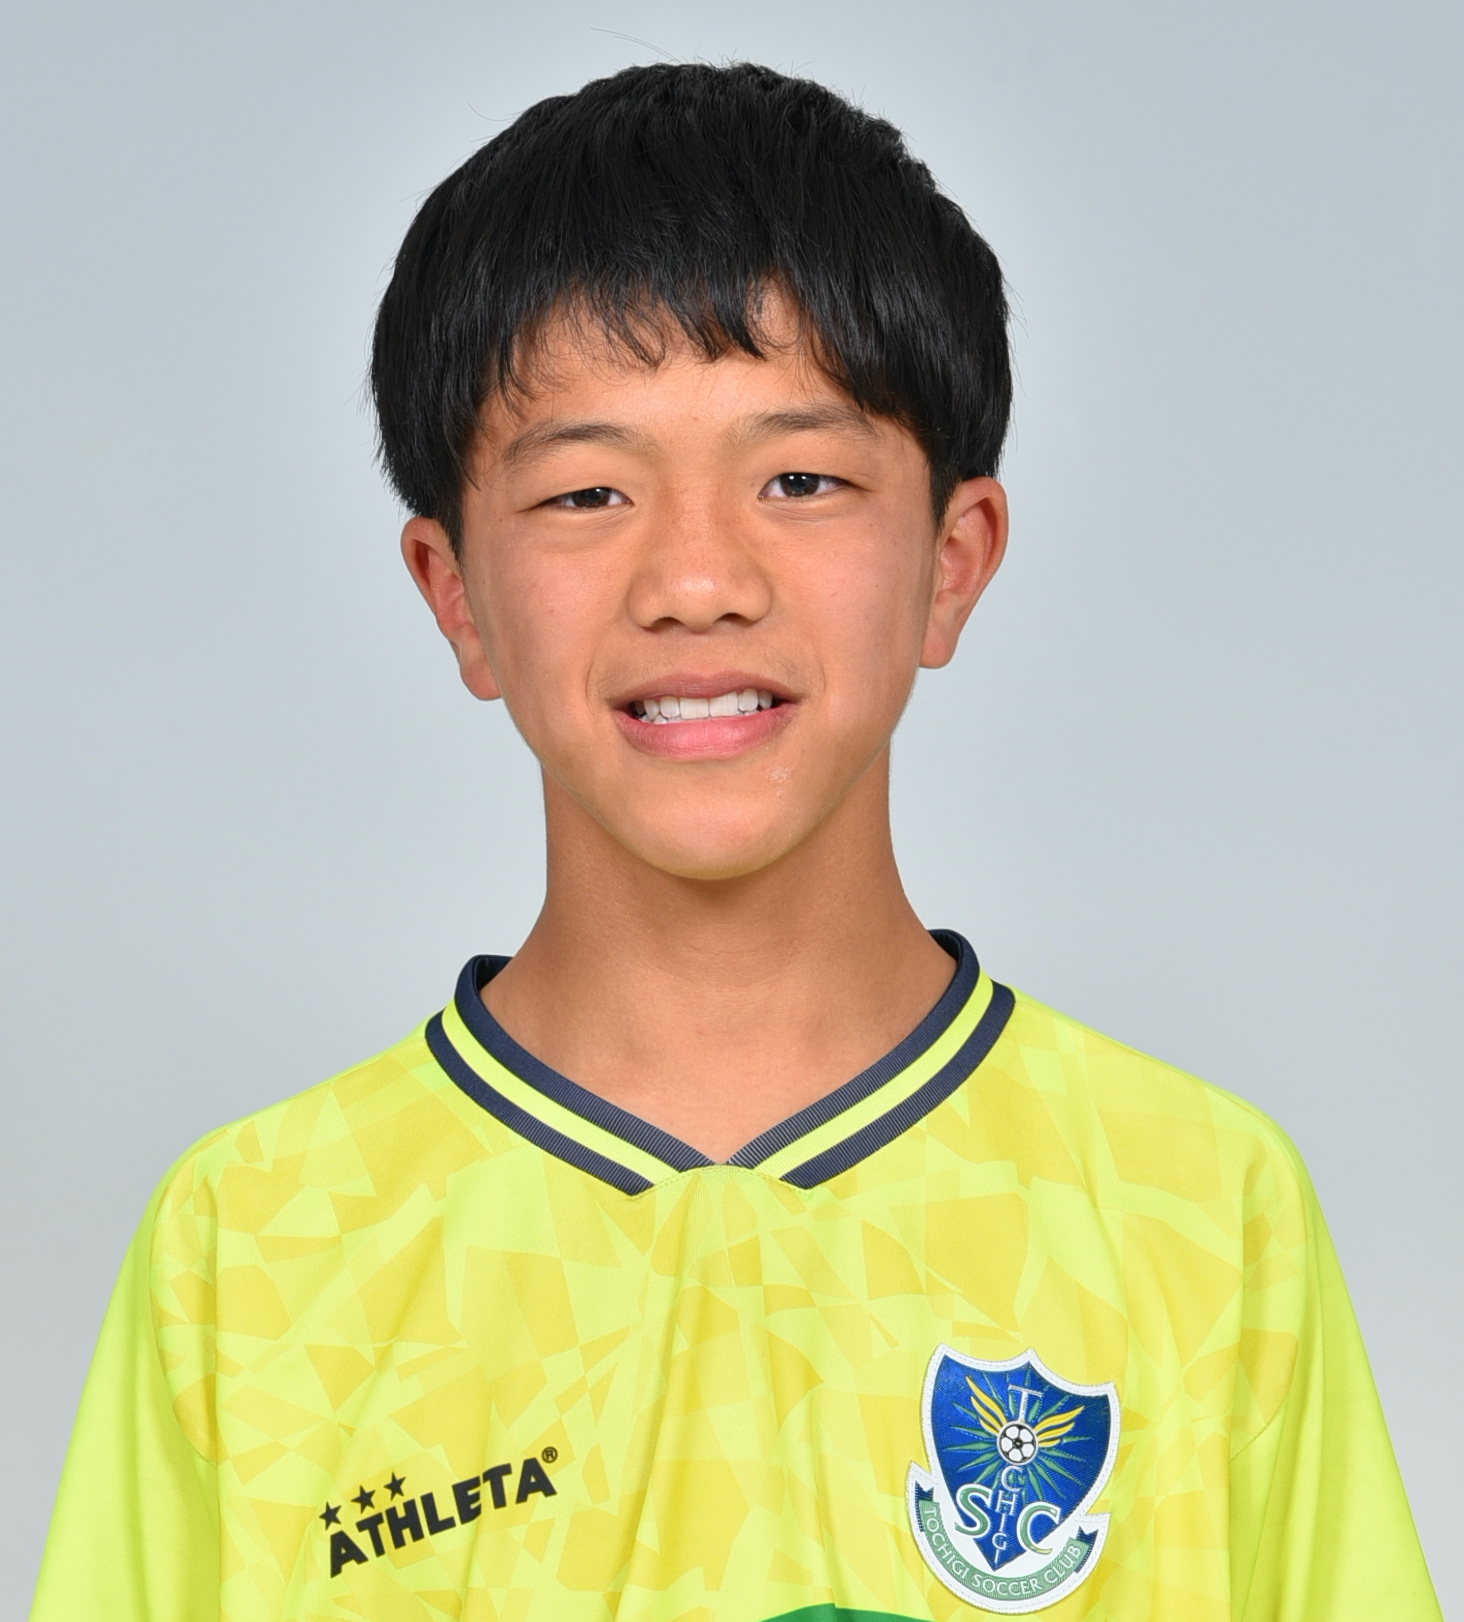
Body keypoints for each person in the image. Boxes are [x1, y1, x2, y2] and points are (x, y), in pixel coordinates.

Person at [30, 61, 1440, 1622]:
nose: (697, 580)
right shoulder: (251, 1252)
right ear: (455, 593)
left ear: (952, 560)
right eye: (587, 492)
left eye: (800, 478)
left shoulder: (1205, 1214)